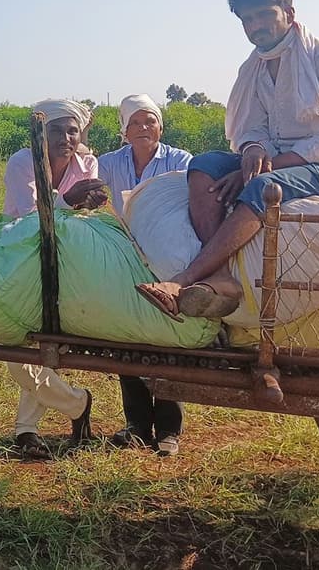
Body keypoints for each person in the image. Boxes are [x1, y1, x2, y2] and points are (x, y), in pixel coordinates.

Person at [136, 0, 319, 330]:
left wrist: (264, 167)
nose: (255, 26)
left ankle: (184, 278)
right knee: (203, 166)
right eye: (247, 19)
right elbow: (252, 127)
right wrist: (252, 151)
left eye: (264, 15)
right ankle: (223, 277)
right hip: (277, 154)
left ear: (289, 13)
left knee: (262, 188)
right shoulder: (254, 68)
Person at [2, 98, 107, 459]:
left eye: (72, 131)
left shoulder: (87, 162)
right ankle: (77, 404)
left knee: (47, 337)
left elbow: (84, 213)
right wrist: (69, 200)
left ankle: (26, 430)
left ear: (81, 135)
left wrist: (91, 201)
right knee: (14, 342)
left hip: (67, 255)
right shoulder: (23, 161)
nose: (65, 137)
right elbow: (31, 216)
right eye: (57, 130)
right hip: (20, 251)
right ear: (42, 134)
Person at [98, 94, 192, 456]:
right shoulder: (110, 163)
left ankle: (169, 429)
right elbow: (86, 176)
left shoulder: (180, 160)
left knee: (169, 336)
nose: (142, 128)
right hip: (126, 256)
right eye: (134, 123)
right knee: (130, 335)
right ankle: (136, 424)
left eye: (149, 121)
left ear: (160, 126)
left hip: (168, 257)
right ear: (124, 131)